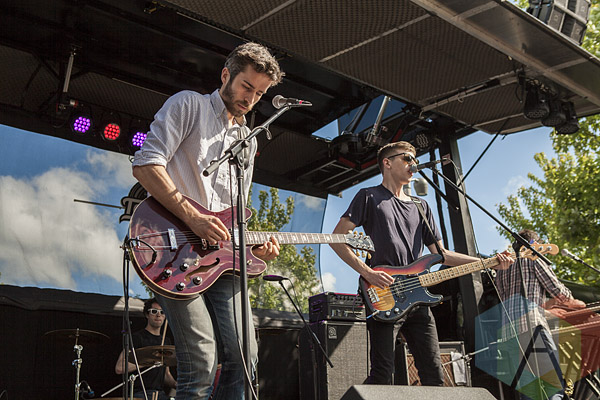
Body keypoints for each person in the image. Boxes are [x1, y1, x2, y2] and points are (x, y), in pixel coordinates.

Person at [131, 42, 283, 400]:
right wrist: (193, 217)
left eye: (260, 94)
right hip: (172, 253)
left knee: (246, 357)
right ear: (226, 74)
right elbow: (146, 165)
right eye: (247, 87)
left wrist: (255, 249)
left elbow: (235, 213)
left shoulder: (247, 142)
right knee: (200, 362)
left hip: (222, 261)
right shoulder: (189, 105)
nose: (251, 99)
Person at [330, 140, 513, 386]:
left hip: (417, 298)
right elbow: (336, 239)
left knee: (434, 374)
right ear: (387, 163)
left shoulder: (421, 206)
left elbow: (442, 254)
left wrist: (488, 263)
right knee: (383, 373)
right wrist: (368, 273)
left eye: (414, 159)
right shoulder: (369, 196)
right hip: (382, 293)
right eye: (407, 158)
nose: (413, 164)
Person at [495, 229, 586, 400]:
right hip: (531, 327)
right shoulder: (533, 258)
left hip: (509, 333)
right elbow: (559, 292)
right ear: (534, 244)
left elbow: (506, 298)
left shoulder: (501, 269)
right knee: (553, 388)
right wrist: (575, 302)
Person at [115, 298, 177, 400]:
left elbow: (166, 374)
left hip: (160, 394)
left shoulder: (166, 341)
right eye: (154, 311)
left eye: (162, 312)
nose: (158, 315)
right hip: (140, 393)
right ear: (147, 314)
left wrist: (176, 385)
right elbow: (120, 368)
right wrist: (149, 361)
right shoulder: (137, 338)